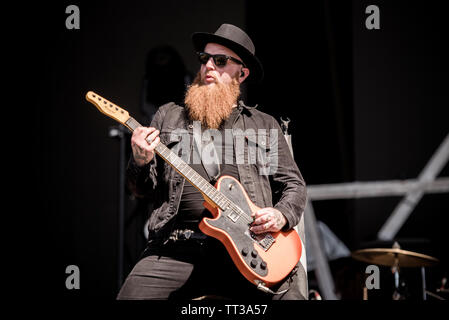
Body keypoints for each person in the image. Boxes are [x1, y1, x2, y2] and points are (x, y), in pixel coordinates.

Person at [117, 23, 307, 300]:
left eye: (220, 61)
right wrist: (140, 161)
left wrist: (280, 215)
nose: (209, 66)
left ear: (242, 74)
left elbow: (294, 186)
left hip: (250, 249)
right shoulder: (169, 117)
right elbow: (141, 189)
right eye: (204, 58)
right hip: (177, 247)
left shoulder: (263, 126)